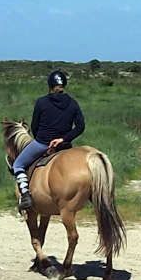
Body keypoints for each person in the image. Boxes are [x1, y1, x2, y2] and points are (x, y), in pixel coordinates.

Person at [11, 70, 85, 211]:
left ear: (49, 85)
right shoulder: (73, 103)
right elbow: (80, 127)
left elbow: (34, 126)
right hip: (64, 146)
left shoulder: (41, 102)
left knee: (18, 164)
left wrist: (43, 141)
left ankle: (26, 196)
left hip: (42, 144)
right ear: (64, 84)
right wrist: (63, 139)